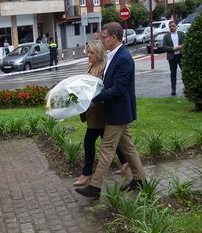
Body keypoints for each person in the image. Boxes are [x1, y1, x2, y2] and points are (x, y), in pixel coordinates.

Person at [75, 22, 145, 198]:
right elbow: (107, 83)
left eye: (104, 37)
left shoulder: (124, 58)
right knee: (128, 147)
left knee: (106, 149)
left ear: (114, 38)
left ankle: (95, 187)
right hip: (115, 110)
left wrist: (95, 98)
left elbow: (119, 89)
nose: (102, 40)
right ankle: (140, 179)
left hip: (118, 112)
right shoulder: (113, 55)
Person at [74, 40, 129, 186]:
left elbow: (104, 90)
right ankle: (125, 162)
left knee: (89, 142)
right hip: (91, 112)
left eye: (91, 52)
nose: (88, 55)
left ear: (99, 54)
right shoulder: (91, 66)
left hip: (99, 112)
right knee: (108, 139)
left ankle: (86, 174)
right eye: (88, 52)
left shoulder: (104, 68)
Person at [163, 20, 184, 96]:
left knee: (184, 72)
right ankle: (173, 90)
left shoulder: (181, 34)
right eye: (170, 26)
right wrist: (173, 48)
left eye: (173, 26)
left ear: (176, 26)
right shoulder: (166, 36)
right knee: (173, 74)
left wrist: (181, 46)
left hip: (181, 56)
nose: (172, 27)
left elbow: (185, 43)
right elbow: (164, 47)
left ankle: (187, 88)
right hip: (172, 57)